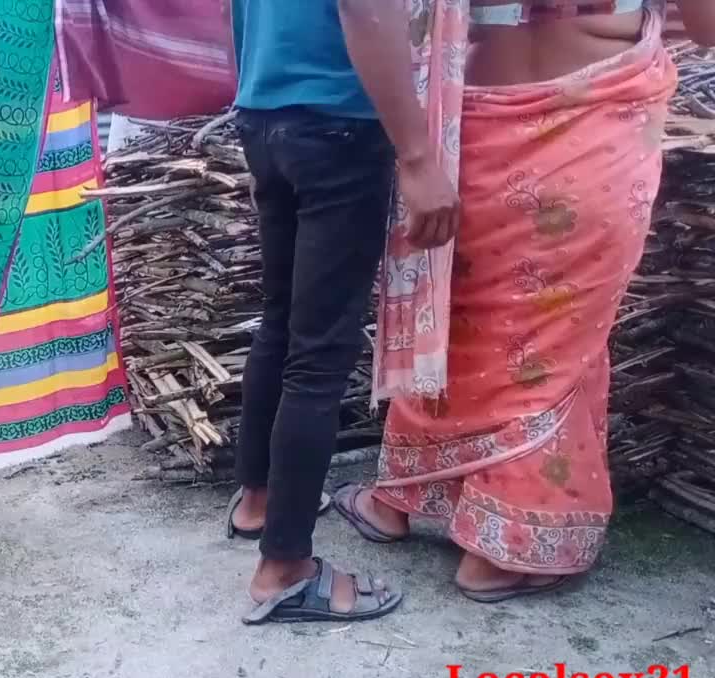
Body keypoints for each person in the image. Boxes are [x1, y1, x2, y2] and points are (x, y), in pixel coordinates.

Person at [332, 0, 715, 602]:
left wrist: (414, 157)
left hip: (474, 136)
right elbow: (706, 30)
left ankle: (397, 500)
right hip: (595, 138)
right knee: (553, 348)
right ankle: (503, 551)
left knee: (461, 322)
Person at [225, 0, 458, 625]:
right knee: (320, 354)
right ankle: (285, 569)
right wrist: (417, 157)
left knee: (282, 323)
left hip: (266, 113)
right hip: (338, 122)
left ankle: (258, 501)